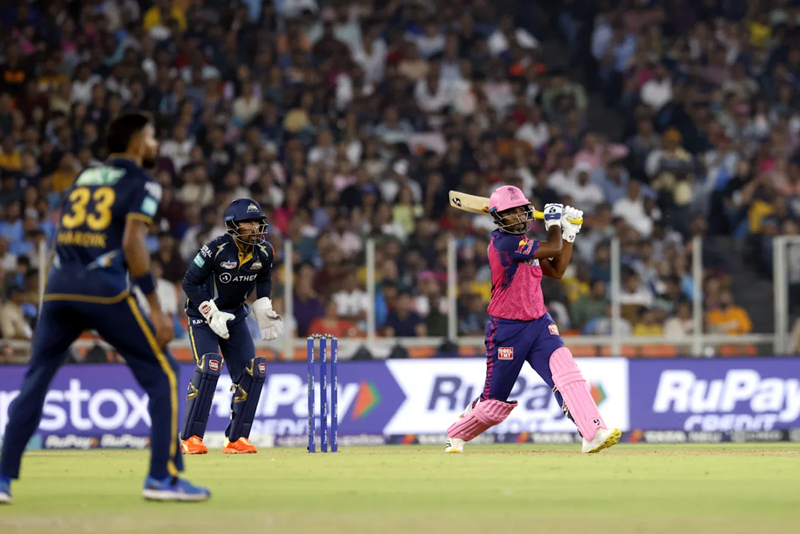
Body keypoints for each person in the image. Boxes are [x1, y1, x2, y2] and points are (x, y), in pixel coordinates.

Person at [0, 112, 210, 503]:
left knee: (36, 380)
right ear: (134, 143)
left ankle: (1, 479)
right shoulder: (143, 181)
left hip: (60, 287)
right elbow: (132, 242)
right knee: (163, 374)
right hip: (104, 290)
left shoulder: (86, 176)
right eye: (150, 137)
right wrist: (154, 306)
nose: (155, 145)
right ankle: (162, 478)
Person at [444, 185, 620, 454]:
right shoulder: (505, 243)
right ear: (498, 218)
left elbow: (557, 269)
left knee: (567, 373)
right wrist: (554, 224)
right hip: (507, 329)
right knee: (493, 406)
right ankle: (456, 433)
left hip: (539, 324)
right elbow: (553, 245)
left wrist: (569, 231)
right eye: (509, 213)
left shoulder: (526, 244)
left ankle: (592, 432)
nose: (517, 218)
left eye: (520, 211)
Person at [180, 198, 283, 455]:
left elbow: (264, 277)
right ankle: (190, 438)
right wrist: (210, 312)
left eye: (258, 222)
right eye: (249, 222)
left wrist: (263, 307)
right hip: (203, 317)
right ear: (233, 225)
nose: (256, 227)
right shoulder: (215, 250)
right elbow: (189, 283)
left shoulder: (265, 252)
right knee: (209, 366)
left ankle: (236, 439)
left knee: (252, 373)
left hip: (235, 315)